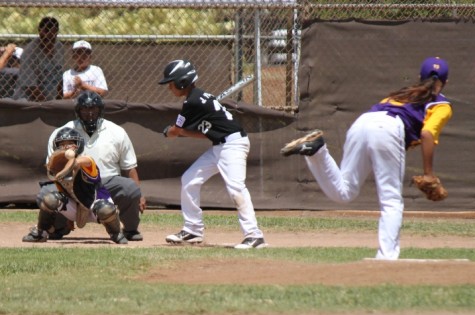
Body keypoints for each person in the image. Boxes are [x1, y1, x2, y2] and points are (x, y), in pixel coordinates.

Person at [280, 57, 452, 260]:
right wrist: (429, 173)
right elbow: (427, 134)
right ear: (446, 82)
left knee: (344, 192)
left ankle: (318, 151)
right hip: (389, 129)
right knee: (391, 200)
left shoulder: (403, 94)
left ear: (419, 77)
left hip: (362, 123)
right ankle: (387, 258)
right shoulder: (441, 105)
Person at [159, 59, 266, 249]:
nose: (170, 88)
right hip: (220, 145)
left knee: (236, 188)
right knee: (189, 179)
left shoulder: (192, 102)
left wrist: (169, 132)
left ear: (182, 81)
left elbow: (175, 131)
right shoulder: (198, 98)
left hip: (233, 146)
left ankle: (254, 235)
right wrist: (181, 132)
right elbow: (206, 133)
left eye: (171, 83)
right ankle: (193, 230)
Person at [37, 90, 146, 241]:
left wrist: (139, 195)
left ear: (100, 110)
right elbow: (53, 169)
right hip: (71, 183)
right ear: (78, 111)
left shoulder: (117, 131)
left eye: (93, 109)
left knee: (130, 188)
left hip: (107, 181)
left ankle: (130, 230)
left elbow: (129, 167)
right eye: (84, 109)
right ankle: (58, 227)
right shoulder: (62, 133)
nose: (89, 113)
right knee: (45, 194)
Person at [22, 127, 128, 244]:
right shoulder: (57, 168)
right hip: (76, 207)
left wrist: (73, 163)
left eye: (71, 143)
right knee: (50, 199)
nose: (66, 147)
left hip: (95, 204)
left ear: (79, 145)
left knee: (105, 209)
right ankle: (41, 232)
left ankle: (116, 232)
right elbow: (64, 192)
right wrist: (69, 218)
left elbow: (84, 161)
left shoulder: (87, 160)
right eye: (62, 144)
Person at [13, 16, 64, 101]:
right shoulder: (30, 52)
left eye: (53, 31)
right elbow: (31, 87)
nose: (49, 35)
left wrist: (58, 101)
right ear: (39, 30)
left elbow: (59, 80)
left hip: (50, 100)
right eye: (46, 30)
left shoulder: (59, 48)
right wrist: (47, 105)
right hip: (28, 100)